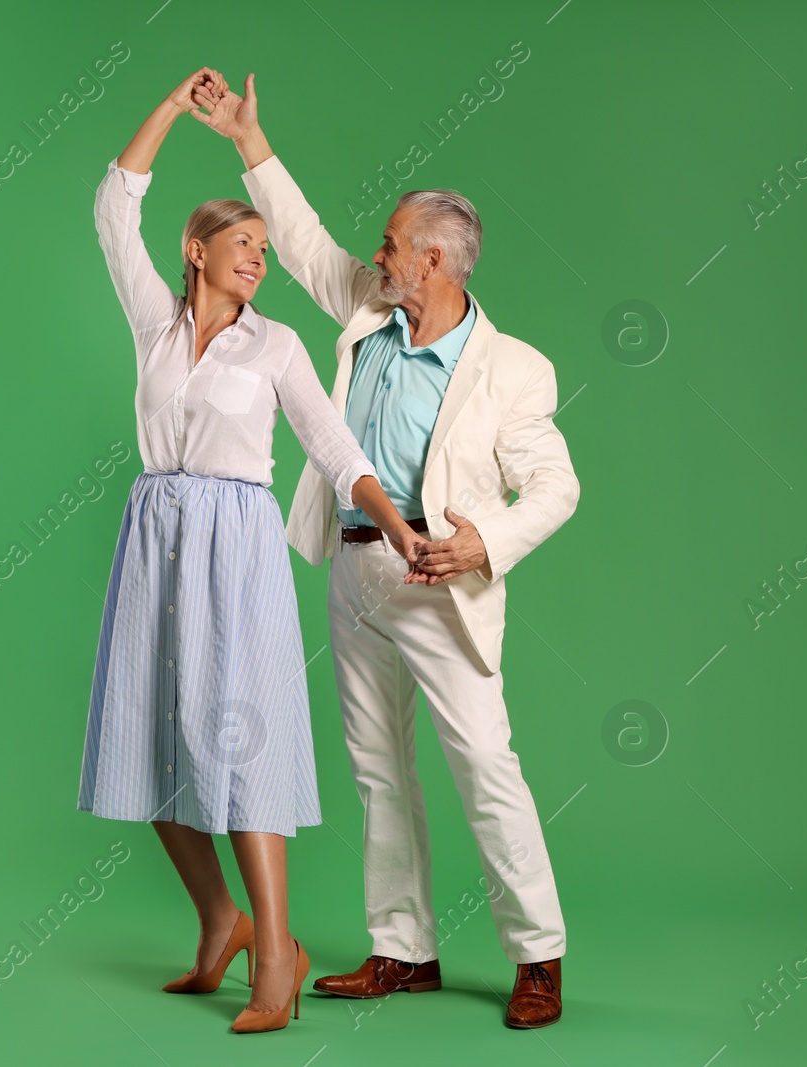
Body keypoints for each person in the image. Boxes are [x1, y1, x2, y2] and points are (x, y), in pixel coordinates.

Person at [191, 71, 581, 1029]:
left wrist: (481, 541)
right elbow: (307, 241)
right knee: (376, 767)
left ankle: (538, 957)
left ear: (439, 261)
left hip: (439, 582)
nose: (379, 254)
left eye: (397, 246)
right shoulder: (370, 308)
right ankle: (403, 948)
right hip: (356, 565)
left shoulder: (514, 368)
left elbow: (559, 486)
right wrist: (250, 140)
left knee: (485, 764)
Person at [75, 69, 424, 1035]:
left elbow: (332, 445)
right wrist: (170, 111)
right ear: (196, 252)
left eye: (266, 251)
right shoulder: (156, 324)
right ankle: (219, 918)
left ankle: (278, 950)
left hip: (237, 545)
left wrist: (391, 518)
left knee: (240, 743)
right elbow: (113, 206)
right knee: (146, 738)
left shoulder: (275, 348)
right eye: (242, 245)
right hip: (155, 537)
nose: (258, 261)